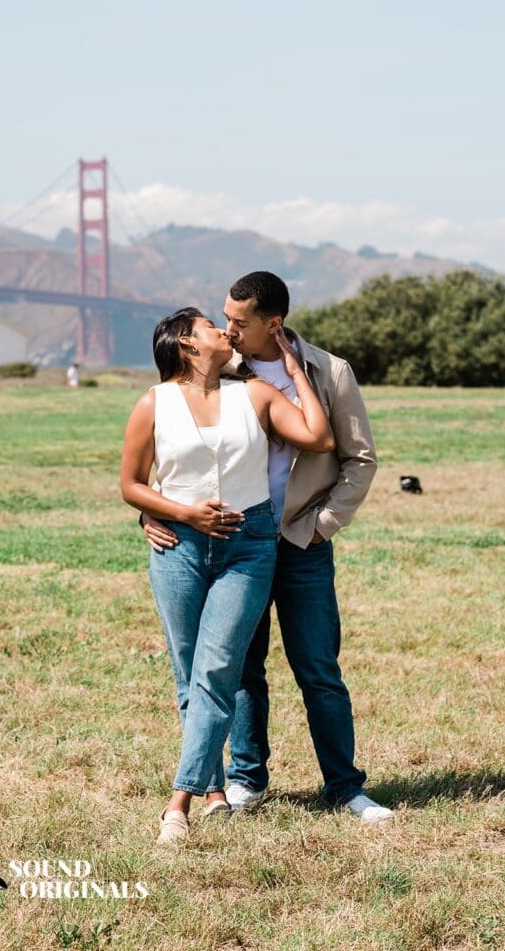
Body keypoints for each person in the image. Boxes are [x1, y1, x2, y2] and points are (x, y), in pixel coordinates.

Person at [142, 273, 393, 822]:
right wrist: (152, 509)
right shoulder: (224, 370)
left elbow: (358, 458)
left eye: (238, 321)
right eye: (223, 319)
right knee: (238, 669)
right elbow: (183, 447)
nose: (227, 329)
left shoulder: (331, 372)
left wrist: (321, 525)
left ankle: (346, 788)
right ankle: (246, 780)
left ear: (272, 323)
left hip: (301, 542)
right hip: (235, 541)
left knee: (318, 667)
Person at [120, 307, 334, 844]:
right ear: (188, 347)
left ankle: (178, 804)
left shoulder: (257, 394)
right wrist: (178, 513)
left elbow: (319, 437)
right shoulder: (153, 403)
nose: (225, 332)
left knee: (216, 669)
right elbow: (130, 484)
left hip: (248, 549)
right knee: (189, 673)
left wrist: (295, 368)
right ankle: (215, 792)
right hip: (179, 547)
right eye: (210, 328)